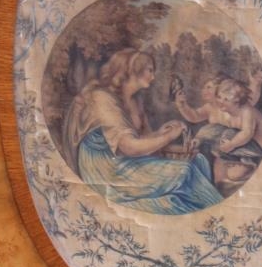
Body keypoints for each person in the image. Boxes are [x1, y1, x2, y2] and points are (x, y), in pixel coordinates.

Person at [61, 48, 222, 215]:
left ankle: (207, 215)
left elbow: (141, 140)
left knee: (200, 161)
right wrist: (167, 136)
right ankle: (217, 215)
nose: (153, 77)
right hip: (107, 170)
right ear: (133, 70)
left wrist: (160, 133)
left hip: (127, 161)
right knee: (185, 171)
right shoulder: (102, 98)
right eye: (150, 70)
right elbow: (129, 147)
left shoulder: (135, 99)